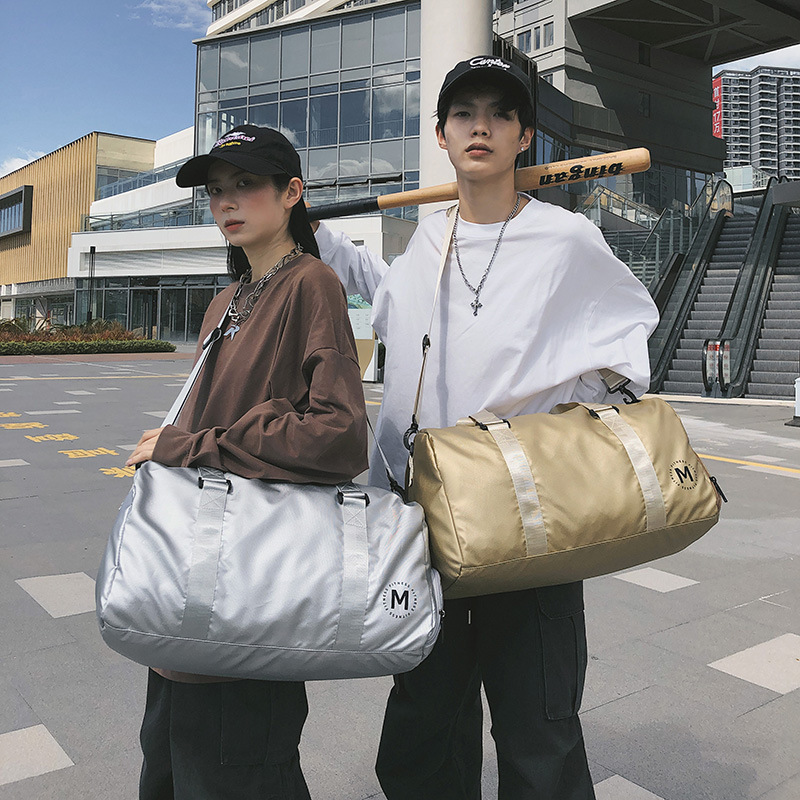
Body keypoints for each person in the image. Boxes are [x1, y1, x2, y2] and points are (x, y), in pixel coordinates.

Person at [313, 57, 659, 799]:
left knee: (540, 736)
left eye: (500, 113)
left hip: (530, 520)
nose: (481, 126)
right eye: (464, 113)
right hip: (428, 524)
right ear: (441, 135)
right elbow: (385, 298)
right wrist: (310, 225)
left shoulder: (566, 239)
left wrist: (553, 422)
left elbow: (629, 343)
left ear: (524, 137)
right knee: (423, 731)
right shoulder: (423, 246)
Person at [126, 124, 368, 800]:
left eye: (245, 184)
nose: (226, 202)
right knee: (170, 767)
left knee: (238, 771)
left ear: (292, 193)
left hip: (253, 583)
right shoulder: (224, 302)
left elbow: (340, 433)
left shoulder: (312, 284)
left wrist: (189, 446)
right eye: (215, 190)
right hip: (189, 579)